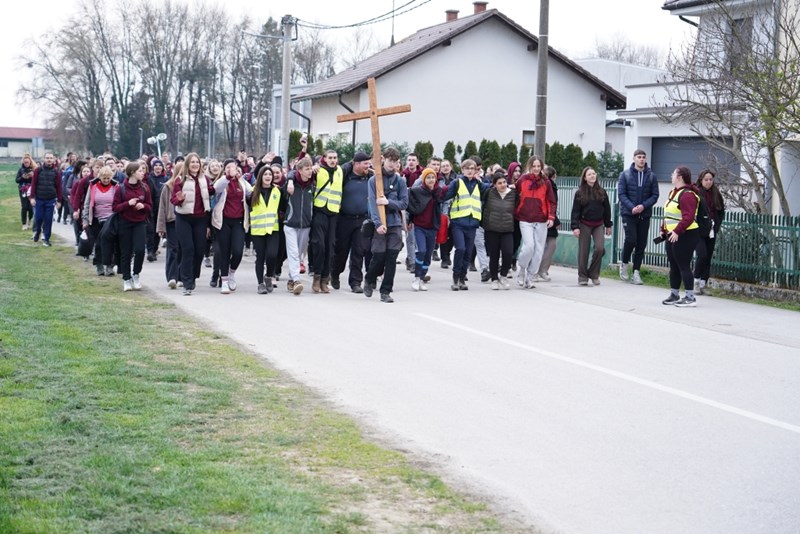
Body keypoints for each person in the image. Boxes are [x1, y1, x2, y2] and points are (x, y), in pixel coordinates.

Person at [363, 147, 408, 303]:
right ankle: (369, 278)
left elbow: (404, 203)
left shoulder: (400, 181)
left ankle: (386, 291)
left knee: (391, 258)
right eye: (390, 160)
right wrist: (377, 224)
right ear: (384, 160)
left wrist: (389, 202)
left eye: (395, 161)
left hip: (394, 224)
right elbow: (373, 204)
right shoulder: (374, 180)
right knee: (379, 257)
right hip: (380, 224)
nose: (392, 164)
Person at [442, 158, 489, 291]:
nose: (470, 171)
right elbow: (444, 196)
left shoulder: (479, 184)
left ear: (476, 171)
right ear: (462, 170)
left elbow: (491, 190)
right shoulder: (457, 183)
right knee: (460, 249)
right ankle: (456, 278)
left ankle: (463, 278)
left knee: (468, 252)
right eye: (467, 168)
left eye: (472, 169)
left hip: (473, 223)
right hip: (458, 222)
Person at [171, 152, 213, 296]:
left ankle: (193, 275)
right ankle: (187, 282)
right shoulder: (179, 180)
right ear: (187, 164)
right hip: (184, 218)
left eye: (197, 162)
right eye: (192, 162)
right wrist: (180, 199)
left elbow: (211, 191)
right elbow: (174, 200)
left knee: (199, 250)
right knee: (188, 249)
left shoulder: (205, 179)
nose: (195, 164)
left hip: (200, 218)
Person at [331, 151, 373, 293]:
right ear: (355, 164)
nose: (368, 166)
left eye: (369, 163)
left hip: (362, 219)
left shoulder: (371, 177)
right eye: (365, 163)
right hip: (344, 219)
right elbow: (338, 170)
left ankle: (355, 282)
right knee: (341, 250)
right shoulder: (345, 175)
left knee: (359, 251)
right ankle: (335, 274)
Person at [660, 166, 701, 307]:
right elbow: (669, 213)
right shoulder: (674, 192)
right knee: (674, 265)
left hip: (686, 234)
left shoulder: (688, 195)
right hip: (672, 234)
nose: (671, 175)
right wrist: (663, 229)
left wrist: (677, 231)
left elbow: (688, 217)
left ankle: (690, 297)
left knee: (683, 264)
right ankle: (674, 294)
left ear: (680, 177)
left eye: (673, 174)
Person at [618, 149, 659, 285]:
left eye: (643, 157)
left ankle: (636, 272)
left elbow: (655, 195)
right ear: (634, 158)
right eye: (639, 157)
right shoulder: (625, 175)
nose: (641, 159)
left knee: (641, 243)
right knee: (631, 239)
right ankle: (624, 264)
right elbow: (622, 194)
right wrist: (632, 207)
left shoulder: (651, 176)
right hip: (629, 214)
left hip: (644, 214)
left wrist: (643, 206)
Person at [514, 155, 556, 289]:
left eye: (539, 166)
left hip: (541, 219)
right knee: (529, 247)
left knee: (538, 251)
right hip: (525, 218)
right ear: (530, 166)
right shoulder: (523, 180)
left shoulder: (546, 182)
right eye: (534, 166)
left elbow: (551, 201)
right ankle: (521, 269)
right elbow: (515, 194)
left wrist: (551, 217)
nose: (536, 169)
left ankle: (530, 276)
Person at [211, 160, 252, 294]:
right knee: (224, 251)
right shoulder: (223, 182)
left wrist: (243, 178)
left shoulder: (242, 183)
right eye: (228, 167)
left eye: (234, 168)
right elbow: (216, 188)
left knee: (238, 251)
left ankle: (231, 272)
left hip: (238, 222)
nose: (232, 170)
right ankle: (224, 281)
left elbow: (252, 192)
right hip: (223, 221)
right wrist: (228, 176)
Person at [112, 162, 152, 292]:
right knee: (126, 252)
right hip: (125, 223)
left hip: (140, 222)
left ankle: (136, 274)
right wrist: (127, 204)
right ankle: (126, 279)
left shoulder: (145, 188)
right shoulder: (121, 188)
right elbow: (115, 207)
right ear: (132, 172)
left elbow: (150, 205)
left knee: (140, 250)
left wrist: (144, 206)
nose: (143, 173)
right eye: (140, 171)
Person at [570, 167, 613, 286]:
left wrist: (608, 225)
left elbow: (607, 210)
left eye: (594, 174)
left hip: (599, 224)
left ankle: (594, 274)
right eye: (589, 174)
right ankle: (582, 276)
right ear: (585, 178)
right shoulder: (580, 192)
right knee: (584, 251)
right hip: (584, 224)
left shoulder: (602, 192)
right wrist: (575, 227)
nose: (592, 176)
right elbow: (575, 211)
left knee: (599, 248)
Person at [308, 149, 342, 293]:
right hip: (320, 210)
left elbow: (359, 164)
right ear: (324, 158)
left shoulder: (340, 170)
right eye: (330, 158)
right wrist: (312, 167)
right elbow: (298, 173)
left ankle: (324, 279)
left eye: (335, 158)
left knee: (330, 246)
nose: (333, 160)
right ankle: (316, 276)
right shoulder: (317, 170)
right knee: (319, 245)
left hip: (333, 212)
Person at [283, 157, 315, 295]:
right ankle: (296, 280)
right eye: (306, 169)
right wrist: (290, 181)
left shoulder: (312, 185)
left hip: (306, 225)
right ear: (300, 170)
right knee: (293, 253)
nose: (309, 172)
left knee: (300, 253)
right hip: (290, 224)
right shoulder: (291, 185)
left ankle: (291, 280)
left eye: (310, 168)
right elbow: (290, 174)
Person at [408, 167, 443, 291]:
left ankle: (422, 278)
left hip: (432, 227)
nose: (431, 179)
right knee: (421, 251)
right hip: (420, 226)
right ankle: (416, 277)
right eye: (428, 177)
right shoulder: (417, 191)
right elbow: (411, 205)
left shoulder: (438, 192)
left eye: (433, 177)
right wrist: (409, 220)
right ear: (423, 179)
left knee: (428, 254)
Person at [481, 169, 516, 290]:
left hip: (507, 229)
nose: (502, 185)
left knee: (508, 253)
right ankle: (494, 279)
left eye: (504, 182)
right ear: (494, 184)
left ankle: (503, 276)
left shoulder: (513, 194)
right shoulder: (489, 193)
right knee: (494, 255)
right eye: (499, 183)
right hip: (492, 229)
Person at [250, 166, 282, 294]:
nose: (268, 176)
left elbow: (282, 207)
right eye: (265, 174)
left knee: (272, 255)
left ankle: (268, 276)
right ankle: (260, 283)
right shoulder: (252, 191)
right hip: (258, 230)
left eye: (270, 174)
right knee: (260, 257)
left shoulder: (277, 191)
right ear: (260, 177)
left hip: (272, 229)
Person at [693, 169, 726, 294]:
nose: (708, 182)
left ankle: (703, 283)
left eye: (710, 179)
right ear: (701, 180)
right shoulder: (696, 192)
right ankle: (695, 281)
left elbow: (721, 211)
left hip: (712, 230)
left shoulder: (716, 193)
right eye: (706, 179)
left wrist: (717, 224)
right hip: (698, 230)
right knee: (702, 255)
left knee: (708, 257)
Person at [83, 166, 118, 276]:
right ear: (100, 177)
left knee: (110, 243)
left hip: (111, 219)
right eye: (104, 178)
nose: (106, 180)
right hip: (96, 219)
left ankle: (109, 265)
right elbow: (87, 203)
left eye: (108, 178)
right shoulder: (93, 185)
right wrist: (85, 219)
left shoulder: (115, 186)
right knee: (98, 244)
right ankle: (98, 264)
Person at [156, 161, 183, 289]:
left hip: (185, 221)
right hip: (172, 221)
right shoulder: (168, 187)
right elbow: (162, 207)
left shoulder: (189, 186)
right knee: (173, 249)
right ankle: (172, 276)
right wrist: (160, 227)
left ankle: (181, 276)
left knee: (183, 249)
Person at [29, 152, 63, 246]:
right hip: (39, 198)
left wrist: (59, 201)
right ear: (44, 159)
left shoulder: (56, 172)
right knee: (38, 218)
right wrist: (32, 198)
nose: (49, 160)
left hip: (50, 199)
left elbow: (59, 187)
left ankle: (47, 239)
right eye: (47, 158)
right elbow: (33, 184)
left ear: (53, 160)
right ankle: (38, 231)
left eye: (51, 158)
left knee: (48, 219)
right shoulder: (38, 170)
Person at [536, 165, 561, 281]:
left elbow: (553, 204)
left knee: (548, 245)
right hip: (544, 218)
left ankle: (541, 270)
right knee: (545, 245)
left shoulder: (550, 185)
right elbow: (551, 204)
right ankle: (539, 270)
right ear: (554, 176)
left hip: (549, 218)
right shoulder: (547, 185)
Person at [401, 153, 423, 271]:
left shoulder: (422, 175)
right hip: (406, 207)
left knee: (417, 238)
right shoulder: (403, 175)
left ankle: (414, 258)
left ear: (417, 162)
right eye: (409, 160)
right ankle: (411, 260)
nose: (411, 162)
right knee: (410, 236)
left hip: (419, 207)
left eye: (413, 160)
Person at [146, 158, 169, 262]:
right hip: (151, 207)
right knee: (150, 230)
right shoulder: (149, 178)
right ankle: (150, 250)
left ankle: (154, 249)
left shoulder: (165, 178)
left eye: (160, 165)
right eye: (156, 165)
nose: (158, 167)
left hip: (161, 207)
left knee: (158, 230)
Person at [438, 158, 458, 269]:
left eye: (447, 165)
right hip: (442, 211)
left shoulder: (457, 179)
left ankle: (448, 253)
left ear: (451, 167)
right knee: (443, 234)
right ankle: (444, 258)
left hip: (455, 209)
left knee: (453, 236)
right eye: (443, 166)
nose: (445, 167)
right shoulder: (438, 179)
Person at [15, 153, 36, 231]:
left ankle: (30, 220)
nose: (26, 163)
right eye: (25, 162)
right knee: (24, 207)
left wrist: (32, 176)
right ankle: (24, 223)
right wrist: (22, 177)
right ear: (23, 162)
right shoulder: (21, 170)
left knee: (31, 207)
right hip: (23, 190)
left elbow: (37, 180)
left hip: (32, 190)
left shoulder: (34, 169)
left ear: (30, 162)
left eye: (27, 162)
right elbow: (17, 180)